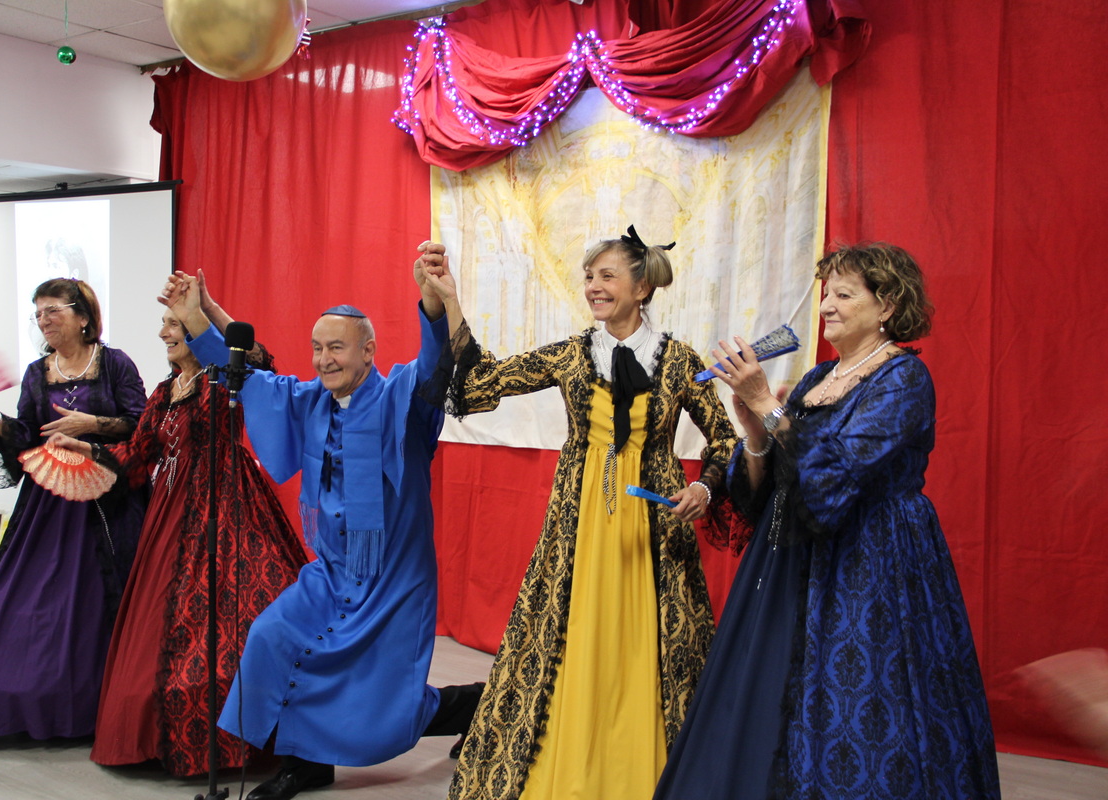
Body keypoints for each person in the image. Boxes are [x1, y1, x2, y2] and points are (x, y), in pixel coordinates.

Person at [653, 243, 1000, 799]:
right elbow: (766, 488)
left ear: (887, 305)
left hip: (869, 563)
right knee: (770, 699)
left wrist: (767, 404)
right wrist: (757, 430)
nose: (827, 306)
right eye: (825, 293)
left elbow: (838, 472)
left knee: (862, 700)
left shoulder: (903, 378)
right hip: (790, 563)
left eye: (844, 294)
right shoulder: (817, 377)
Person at [424, 228, 742, 800]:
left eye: (607, 276)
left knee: (649, 648)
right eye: (589, 277)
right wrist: (450, 301)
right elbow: (482, 383)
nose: (594, 286)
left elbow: (724, 442)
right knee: (568, 640)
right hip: (579, 523)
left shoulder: (678, 361)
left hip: (655, 532)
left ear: (641, 288)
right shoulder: (572, 354)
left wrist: (704, 487)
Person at [162, 259, 482, 800]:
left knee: (380, 701)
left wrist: (432, 302)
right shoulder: (308, 399)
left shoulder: (403, 399)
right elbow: (241, 373)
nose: (323, 359)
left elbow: (435, 364)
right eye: (316, 348)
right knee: (273, 638)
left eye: (336, 347)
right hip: (331, 574)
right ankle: (306, 765)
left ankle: (477, 705)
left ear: (368, 351)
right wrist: (197, 316)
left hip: (394, 581)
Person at [50, 298, 311, 776]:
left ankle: (250, 738)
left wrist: (207, 307)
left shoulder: (224, 377)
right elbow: (137, 454)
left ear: (195, 329)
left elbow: (261, 364)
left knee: (236, 622)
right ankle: (158, 736)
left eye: (173, 324)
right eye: (164, 324)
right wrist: (84, 447)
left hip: (229, 508)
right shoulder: (164, 391)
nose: (163, 333)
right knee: (160, 627)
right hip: (170, 515)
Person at [0, 277, 147, 739]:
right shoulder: (38, 373)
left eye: (53, 310)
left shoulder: (115, 364)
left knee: (97, 603)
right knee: (27, 600)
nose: (44, 320)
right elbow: (26, 436)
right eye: (38, 313)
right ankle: (25, 698)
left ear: (83, 315)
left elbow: (140, 425)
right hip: (49, 503)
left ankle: (98, 702)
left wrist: (90, 424)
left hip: (106, 500)